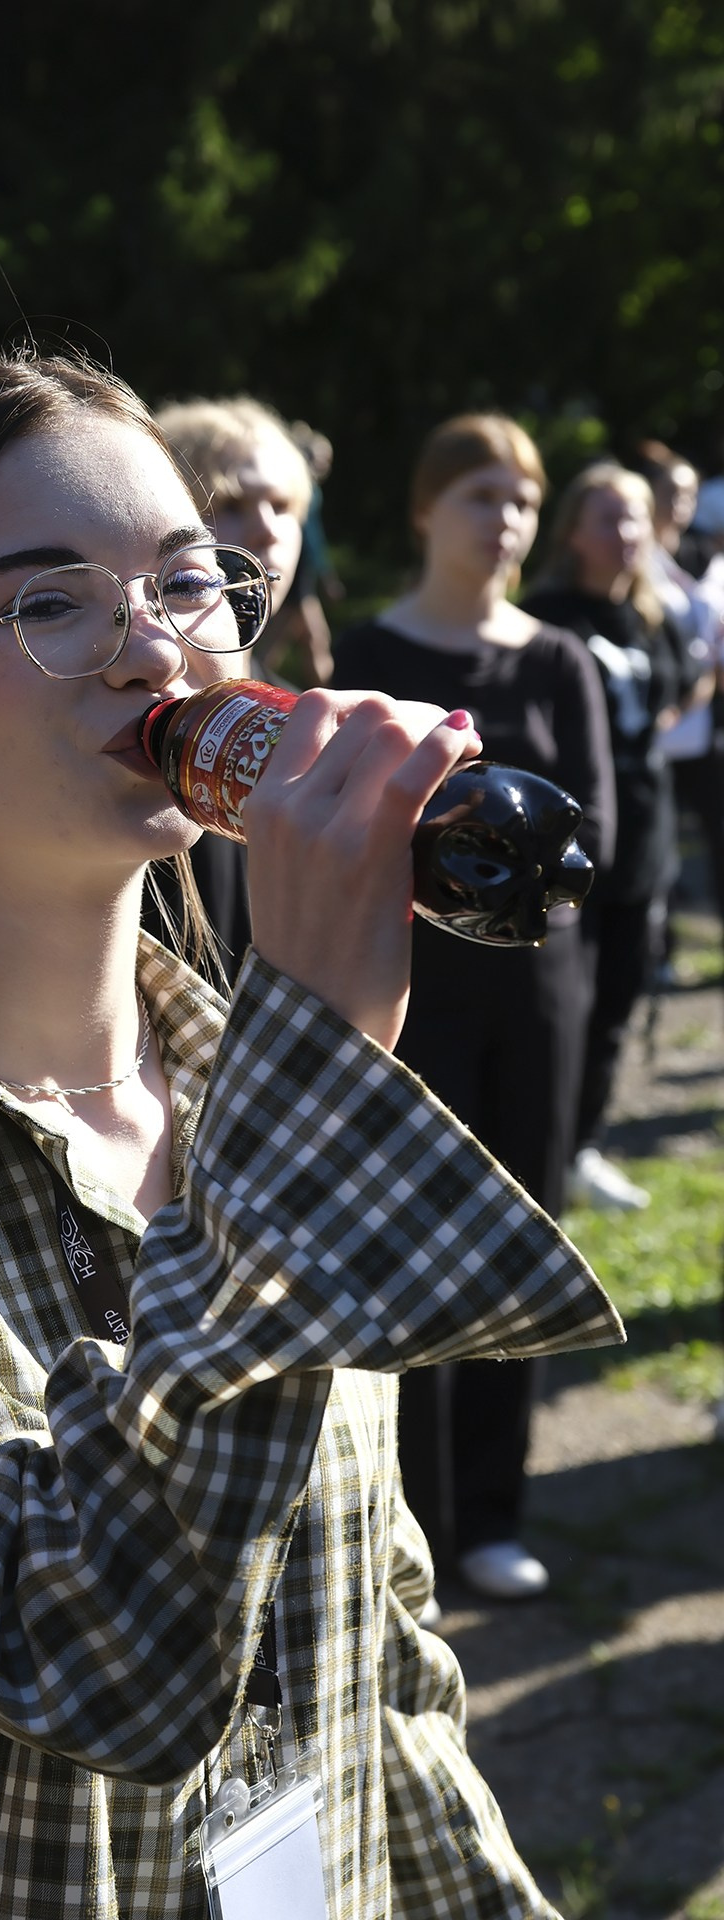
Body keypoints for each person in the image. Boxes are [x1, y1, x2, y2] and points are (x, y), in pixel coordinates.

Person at [0, 353, 619, 1920]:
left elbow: (382, 1684)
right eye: (50, 603)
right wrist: (322, 1063)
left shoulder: (247, 1099)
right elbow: (105, 1667)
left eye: (188, 580)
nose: (152, 644)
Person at [331, 415, 615, 1603]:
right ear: (422, 511)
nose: (500, 519)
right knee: (404, 1260)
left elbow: (594, 841)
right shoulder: (362, 653)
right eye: (476, 496)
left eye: (519, 498)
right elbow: (333, 832)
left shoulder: (557, 661)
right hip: (406, 998)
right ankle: (411, 1525)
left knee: (517, 1240)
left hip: (534, 1001)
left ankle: (492, 1512)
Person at [522, 462, 699, 1213]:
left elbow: (679, 692)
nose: (626, 533)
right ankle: (542, 1151)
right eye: (607, 518)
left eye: (634, 517)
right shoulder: (548, 617)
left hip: (646, 843)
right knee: (566, 1007)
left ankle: (583, 1146)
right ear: (572, 533)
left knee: (619, 1004)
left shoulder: (653, 614)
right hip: (571, 846)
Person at [148, 394, 314, 982]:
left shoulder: (299, 705)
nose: (268, 530)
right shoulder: (132, 702)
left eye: (284, 506)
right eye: (234, 503)